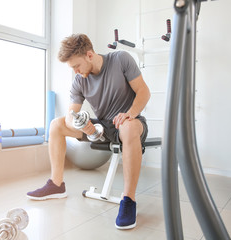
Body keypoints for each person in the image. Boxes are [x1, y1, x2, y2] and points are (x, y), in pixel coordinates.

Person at [27, 33, 150, 230]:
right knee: (56, 125)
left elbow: (144, 91)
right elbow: (69, 116)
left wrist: (130, 114)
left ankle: (128, 200)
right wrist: (80, 124)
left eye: (76, 66)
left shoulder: (121, 59)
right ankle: (56, 184)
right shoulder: (79, 80)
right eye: (72, 68)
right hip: (101, 127)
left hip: (128, 123)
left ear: (89, 55)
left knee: (128, 127)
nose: (75, 71)